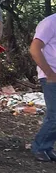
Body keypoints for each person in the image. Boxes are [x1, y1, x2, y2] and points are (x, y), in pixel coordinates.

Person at [29, 13, 56, 162]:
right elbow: (34, 49)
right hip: (52, 76)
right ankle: (40, 148)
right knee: (55, 115)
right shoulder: (51, 22)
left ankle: (47, 148)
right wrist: (49, 73)